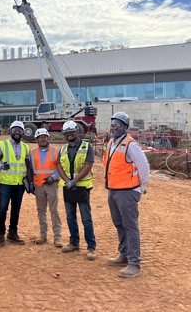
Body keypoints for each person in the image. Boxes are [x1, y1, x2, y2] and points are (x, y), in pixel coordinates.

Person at [103, 112, 150, 278]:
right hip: (114, 190)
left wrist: (141, 187)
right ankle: (124, 254)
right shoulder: (111, 143)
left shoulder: (130, 145)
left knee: (130, 226)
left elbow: (143, 166)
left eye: (118, 125)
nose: (114, 127)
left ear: (125, 127)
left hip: (127, 191)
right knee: (119, 224)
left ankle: (134, 264)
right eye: (113, 124)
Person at [57, 121, 97, 260]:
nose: (69, 135)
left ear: (77, 132)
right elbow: (59, 166)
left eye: (72, 132)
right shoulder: (62, 149)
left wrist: (75, 181)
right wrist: (68, 181)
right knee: (70, 217)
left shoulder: (87, 147)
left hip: (82, 187)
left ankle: (91, 247)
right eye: (67, 133)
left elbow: (88, 166)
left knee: (86, 218)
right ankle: (74, 242)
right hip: (68, 188)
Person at [0, 120, 30, 248]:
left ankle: (13, 233)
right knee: (2, 209)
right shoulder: (2, 145)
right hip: (6, 184)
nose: (17, 132)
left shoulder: (25, 147)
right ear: (10, 131)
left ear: (22, 132)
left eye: (19, 130)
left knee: (16, 209)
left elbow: (28, 166)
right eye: (15, 129)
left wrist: (30, 181)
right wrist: (1, 166)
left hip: (20, 184)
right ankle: (0, 235)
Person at [28, 128, 62, 247]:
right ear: (37, 139)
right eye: (40, 137)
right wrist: (31, 183)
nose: (43, 139)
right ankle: (43, 235)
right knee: (41, 211)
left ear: (48, 138)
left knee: (54, 210)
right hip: (38, 185)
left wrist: (54, 177)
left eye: (45, 137)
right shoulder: (32, 153)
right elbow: (31, 170)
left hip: (51, 184)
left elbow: (61, 168)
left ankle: (57, 237)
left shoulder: (56, 151)